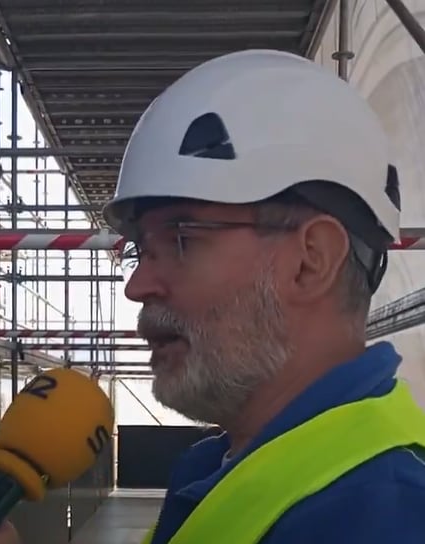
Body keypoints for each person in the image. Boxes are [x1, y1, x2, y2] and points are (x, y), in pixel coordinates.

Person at [102, 49, 425, 543]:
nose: (137, 285)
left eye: (182, 239)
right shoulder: (217, 467)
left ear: (310, 260)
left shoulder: (387, 516)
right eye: (141, 251)